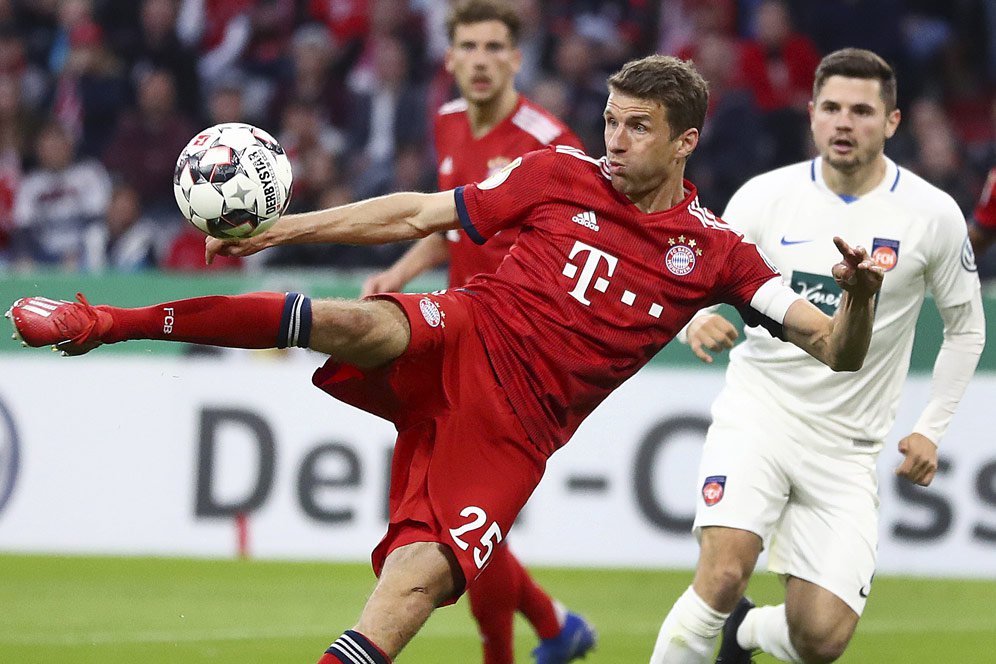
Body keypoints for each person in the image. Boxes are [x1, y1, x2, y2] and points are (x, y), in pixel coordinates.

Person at [7, 54, 884, 664]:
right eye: (610, 121)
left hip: (516, 432)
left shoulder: (717, 250)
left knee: (413, 588)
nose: (613, 141)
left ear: (684, 141)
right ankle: (102, 321)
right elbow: (422, 213)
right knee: (356, 321)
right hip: (464, 331)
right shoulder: (556, 174)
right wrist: (286, 229)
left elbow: (834, 350)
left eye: (638, 128)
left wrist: (862, 297)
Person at [650, 49, 985, 664]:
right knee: (723, 574)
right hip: (760, 418)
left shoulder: (933, 215)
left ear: (891, 122)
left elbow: (967, 331)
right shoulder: (764, 199)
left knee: (821, 638)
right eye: (831, 108)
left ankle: (744, 635)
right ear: (810, 116)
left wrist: (930, 430)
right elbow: (691, 282)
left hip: (848, 447)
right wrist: (695, 321)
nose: (843, 122)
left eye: (861, 111)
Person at [361, 3, 594, 662]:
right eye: (471, 46)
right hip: (460, 336)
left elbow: (578, 248)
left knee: (457, 516)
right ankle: (552, 628)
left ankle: (538, 635)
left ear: (517, 59)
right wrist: (397, 270)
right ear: (452, 58)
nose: (484, 58)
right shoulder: (447, 123)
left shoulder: (551, 145)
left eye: (497, 46)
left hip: (523, 356)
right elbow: (446, 226)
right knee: (462, 517)